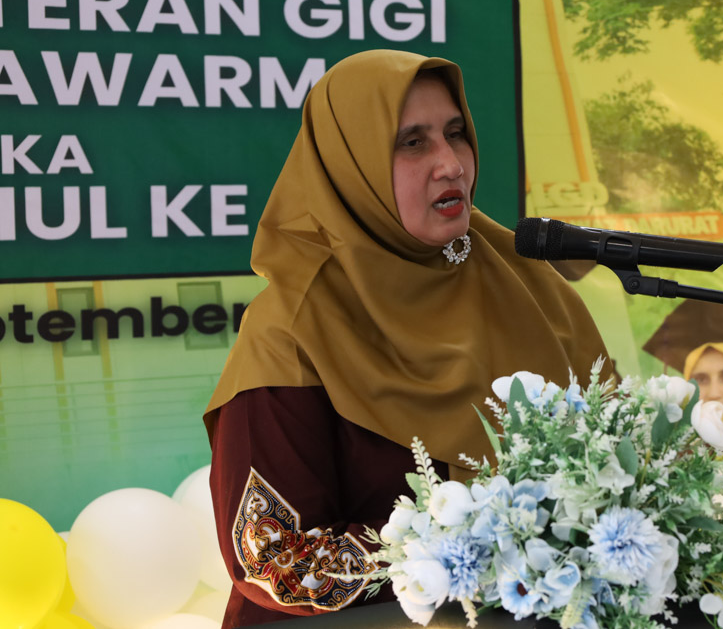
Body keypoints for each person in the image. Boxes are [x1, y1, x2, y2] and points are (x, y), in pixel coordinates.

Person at [203, 49, 611, 628]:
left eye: (455, 134)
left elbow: (619, 455)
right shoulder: (293, 327)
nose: (451, 165)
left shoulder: (527, 284)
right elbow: (275, 560)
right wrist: (473, 542)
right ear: (351, 164)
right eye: (412, 142)